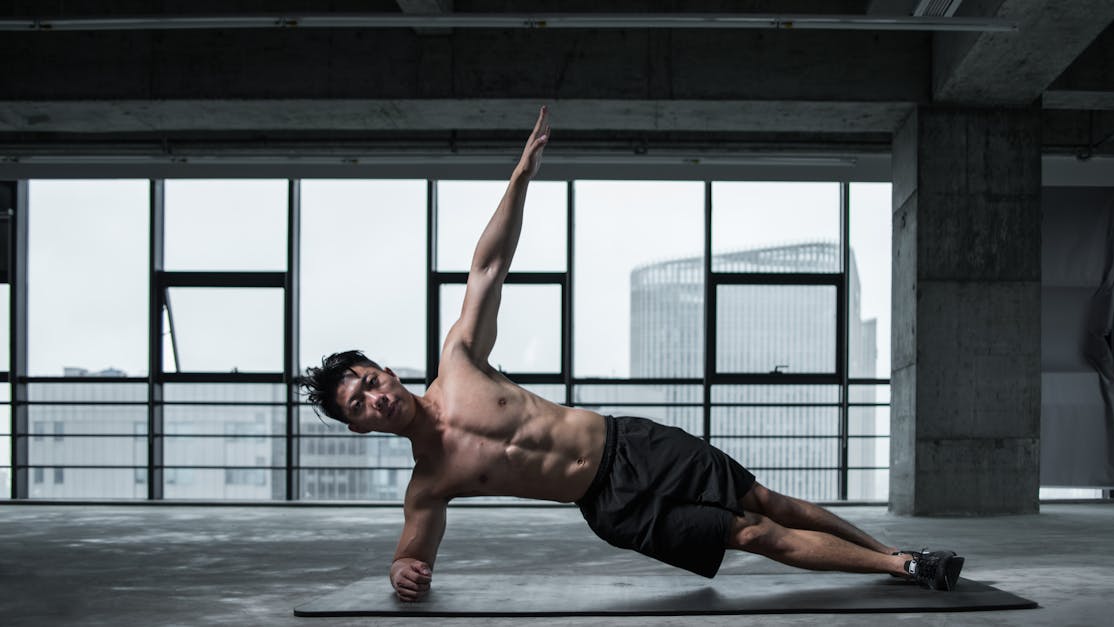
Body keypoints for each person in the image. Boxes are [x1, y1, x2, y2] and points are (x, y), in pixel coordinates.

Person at [298, 106, 964, 602]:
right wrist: (399, 570)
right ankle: (900, 567)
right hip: (610, 505)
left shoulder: (462, 361)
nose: (375, 396)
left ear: (384, 369)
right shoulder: (429, 482)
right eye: (360, 404)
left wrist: (522, 175)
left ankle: (903, 554)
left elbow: (487, 267)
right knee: (749, 532)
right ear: (361, 426)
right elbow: (413, 551)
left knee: (766, 498)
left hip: (631, 442)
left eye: (367, 380)